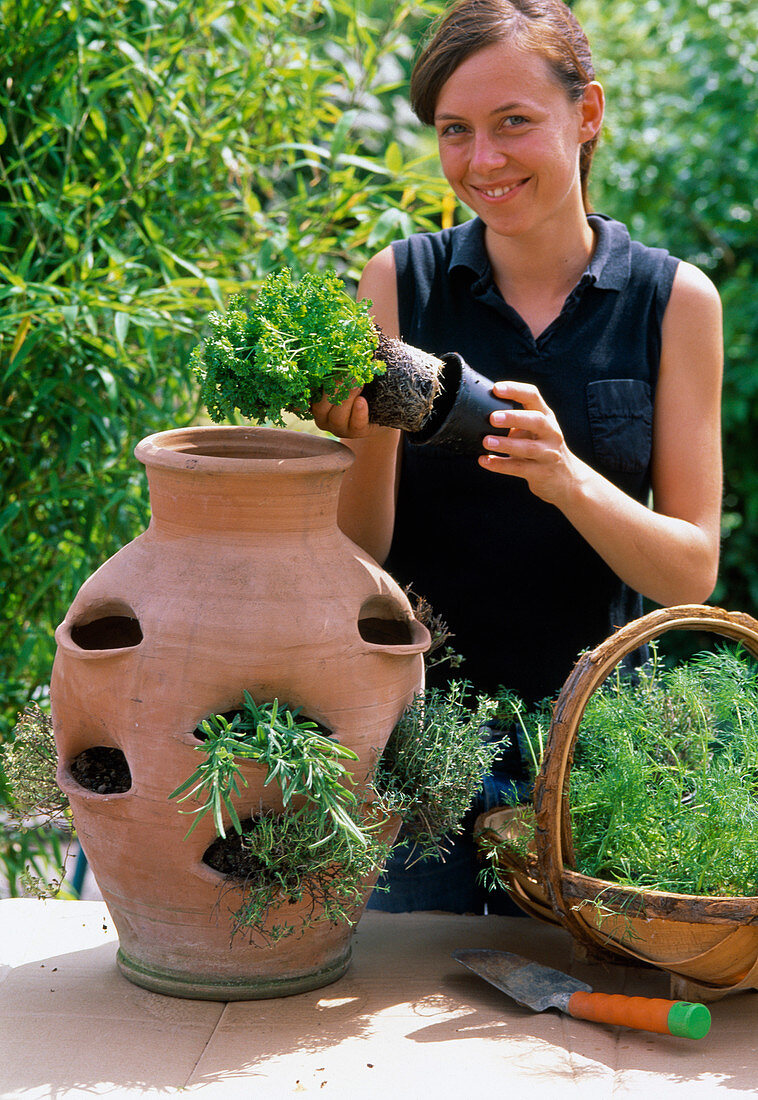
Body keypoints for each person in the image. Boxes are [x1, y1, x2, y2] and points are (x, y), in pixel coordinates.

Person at [312, 0, 723, 912]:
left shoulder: (671, 301)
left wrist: (565, 475)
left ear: (587, 115)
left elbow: (691, 571)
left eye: (514, 124)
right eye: (456, 132)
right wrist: (364, 434)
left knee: (583, 1040)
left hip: (594, 755)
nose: (482, 162)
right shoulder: (402, 282)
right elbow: (361, 556)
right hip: (414, 745)